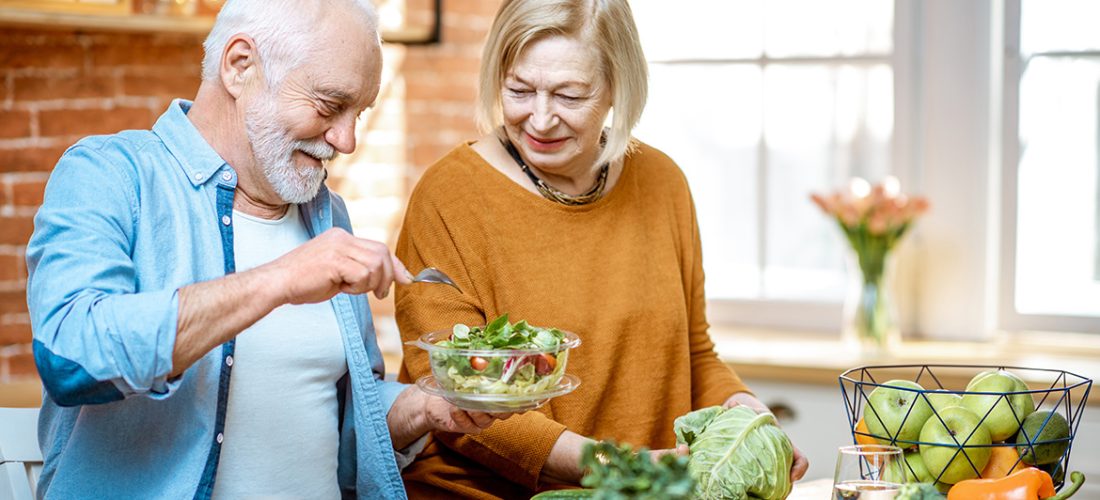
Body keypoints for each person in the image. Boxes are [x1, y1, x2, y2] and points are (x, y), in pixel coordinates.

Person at [24, 0, 508, 498]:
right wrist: (278, 279)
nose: (347, 140)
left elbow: (334, 435)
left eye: (359, 113)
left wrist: (427, 407)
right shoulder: (110, 175)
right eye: (328, 105)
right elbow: (70, 357)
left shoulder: (325, 215)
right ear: (240, 66)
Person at [393, 0, 810, 497]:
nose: (541, 119)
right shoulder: (450, 196)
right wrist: (621, 466)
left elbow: (694, 354)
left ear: (618, 86)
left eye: (570, 95)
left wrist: (749, 418)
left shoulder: (663, 183)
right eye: (519, 90)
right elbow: (453, 397)